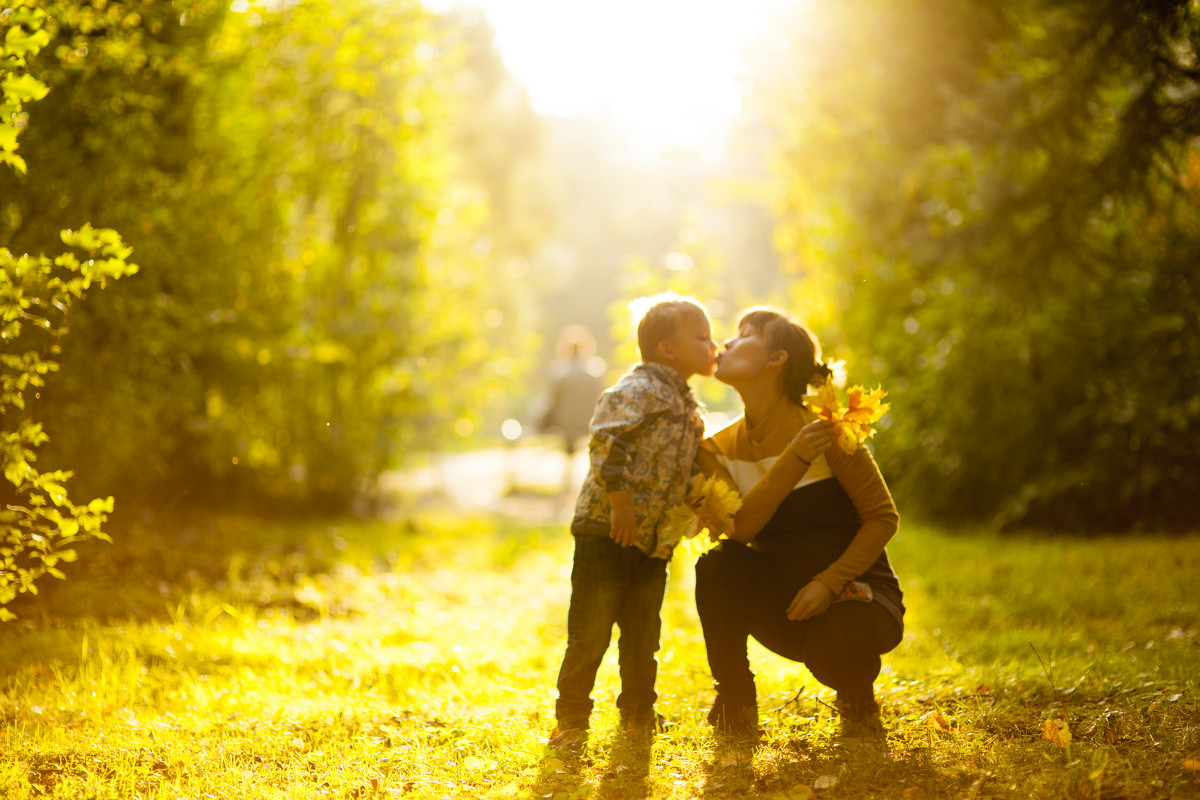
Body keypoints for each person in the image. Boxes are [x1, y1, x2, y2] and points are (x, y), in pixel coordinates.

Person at [693, 306, 903, 742]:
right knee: (715, 563)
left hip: (857, 597)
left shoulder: (828, 429)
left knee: (840, 642)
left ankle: (856, 694)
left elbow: (883, 517)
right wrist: (795, 458)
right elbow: (741, 530)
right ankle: (735, 699)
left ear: (776, 359)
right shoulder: (715, 447)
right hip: (786, 606)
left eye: (745, 333)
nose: (726, 343)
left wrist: (828, 582)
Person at [550, 294, 718, 748]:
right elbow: (608, 440)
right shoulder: (638, 389)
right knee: (589, 632)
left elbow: (685, 466)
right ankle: (572, 718)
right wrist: (619, 501)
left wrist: (697, 499)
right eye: (702, 338)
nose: (713, 346)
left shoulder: (688, 406)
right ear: (667, 349)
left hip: (652, 543)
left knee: (644, 634)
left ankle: (639, 710)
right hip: (607, 530)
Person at [539, 325, 606, 493]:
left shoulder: (559, 371)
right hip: (589, 420)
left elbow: (552, 400)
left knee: (567, 448)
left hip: (566, 422)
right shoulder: (595, 370)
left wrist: (541, 420)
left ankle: (567, 484)